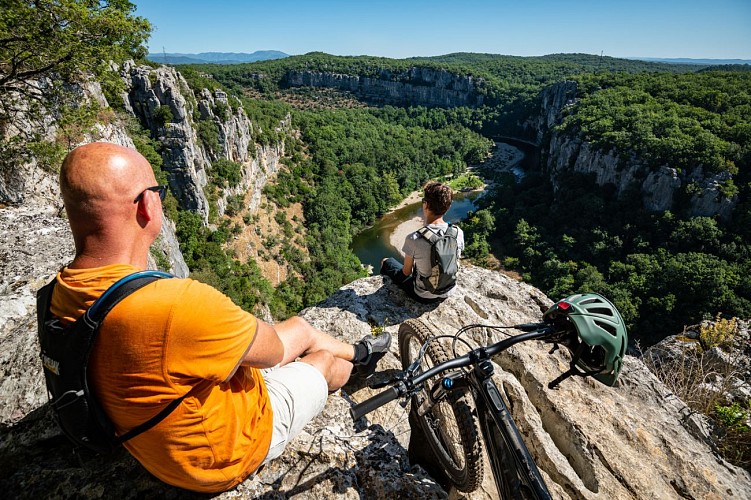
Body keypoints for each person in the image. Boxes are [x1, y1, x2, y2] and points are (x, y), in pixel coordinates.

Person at [45, 142, 391, 493]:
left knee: (300, 328)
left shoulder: (60, 294)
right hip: (225, 455)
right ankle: (355, 369)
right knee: (322, 360)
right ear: (147, 206)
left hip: (152, 443)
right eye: (157, 192)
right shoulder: (176, 306)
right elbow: (271, 353)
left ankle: (358, 351)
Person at [380, 181, 464, 303]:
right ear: (448, 207)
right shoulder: (457, 232)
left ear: (425, 205)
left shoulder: (414, 238)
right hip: (448, 291)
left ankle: (384, 293)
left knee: (386, 262)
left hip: (423, 296)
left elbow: (406, 272)